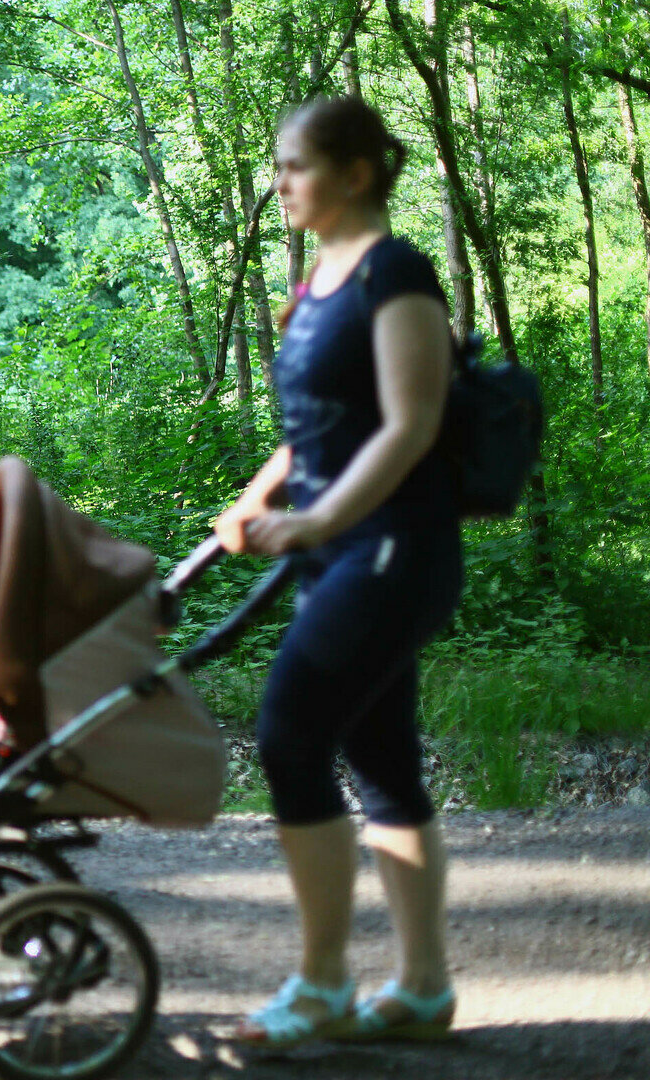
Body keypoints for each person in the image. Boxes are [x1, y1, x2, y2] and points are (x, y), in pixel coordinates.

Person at [217, 97, 461, 1047]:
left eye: (295, 166)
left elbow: (412, 424)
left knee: (290, 734)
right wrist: (257, 499)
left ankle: (320, 987)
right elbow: (313, 431)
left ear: (355, 173)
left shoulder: (397, 274)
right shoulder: (321, 277)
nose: (279, 183)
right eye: (279, 167)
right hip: (341, 551)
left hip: (393, 548)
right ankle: (424, 990)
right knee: (380, 758)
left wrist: (316, 517)